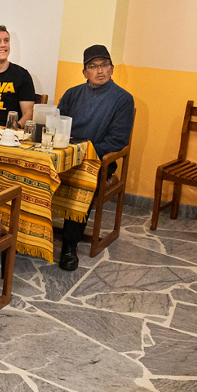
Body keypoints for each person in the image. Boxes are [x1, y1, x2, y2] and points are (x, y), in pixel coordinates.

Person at [55, 44, 136, 271]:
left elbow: (117, 142)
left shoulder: (123, 99)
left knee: (83, 177)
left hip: (99, 160)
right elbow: (57, 126)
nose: (99, 70)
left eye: (104, 65)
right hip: (66, 154)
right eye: (93, 66)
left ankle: (70, 245)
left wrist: (84, 154)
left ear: (111, 69)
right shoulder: (72, 94)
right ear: (85, 73)